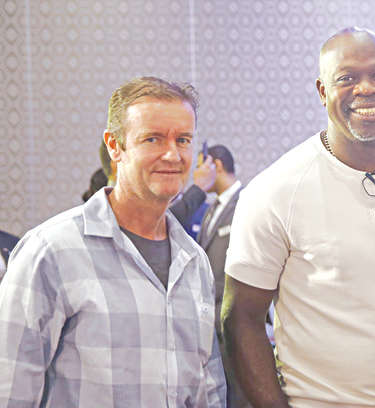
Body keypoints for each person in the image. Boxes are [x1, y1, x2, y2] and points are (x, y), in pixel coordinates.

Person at [221, 27, 375, 408]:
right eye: (347, 78)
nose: (366, 88)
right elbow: (240, 320)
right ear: (322, 91)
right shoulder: (275, 190)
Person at [0, 76, 226, 406]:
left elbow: (209, 388)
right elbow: (10, 388)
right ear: (114, 146)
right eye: (152, 139)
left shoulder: (194, 262)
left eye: (183, 140)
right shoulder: (51, 253)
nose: (172, 154)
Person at [195, 144, 248, 407]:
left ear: (215, 165)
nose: (196, 173)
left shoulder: (246, 203)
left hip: (234, 322)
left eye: (200, 166)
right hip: (211, 326)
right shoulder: (210, 209)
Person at [99, 138, 217, 230]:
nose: (172, 157)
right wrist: (198, 189)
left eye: (182, 141)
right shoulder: (111, 211)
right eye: (151, 141)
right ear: (115, 154)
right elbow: (158, 226)